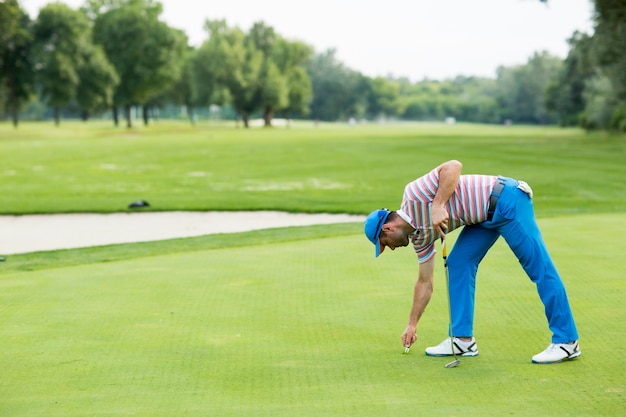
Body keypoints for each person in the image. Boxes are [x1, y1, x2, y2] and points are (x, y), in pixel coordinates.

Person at [363, 160, 580, 364]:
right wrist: (412, 324)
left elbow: (453, 166)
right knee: (458, 263)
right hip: (482, 219)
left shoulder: (413, 194)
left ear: (387, 228)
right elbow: (424, 282)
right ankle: (462, 340)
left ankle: (567, 341)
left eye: (384, 244)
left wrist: (438, 205)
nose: (390, 248)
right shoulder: (419, 238)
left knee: (539, 269)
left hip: (507, 200)